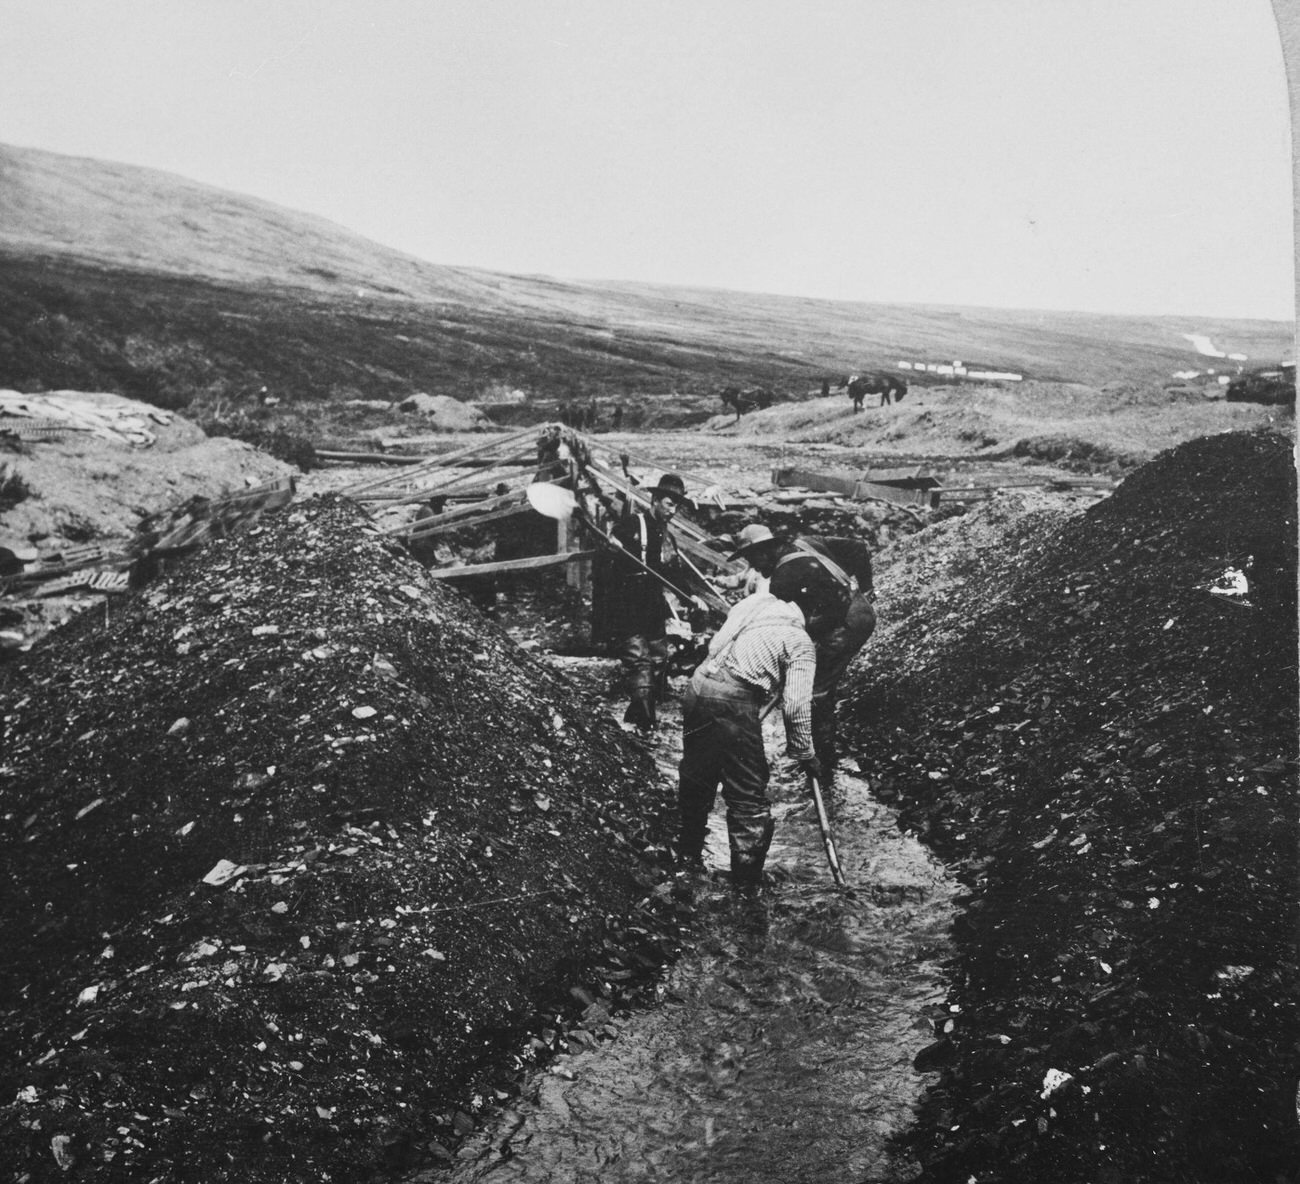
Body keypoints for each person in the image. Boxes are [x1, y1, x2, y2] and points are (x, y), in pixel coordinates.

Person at [676, 587, 819, 887]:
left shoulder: (755, 602)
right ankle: (746, 882)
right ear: (815, 612)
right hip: (731, 700)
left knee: (698, 776)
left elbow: (716, 644)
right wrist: (805, 754)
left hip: (699, 684)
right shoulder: (800, 641)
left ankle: (687, 859)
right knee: (748, 794)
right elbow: (795, 707)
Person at [728, 523, 876, 798]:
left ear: (765, 550)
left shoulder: (783, 579)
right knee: (819, 685)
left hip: (845, 626)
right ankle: (821, 754)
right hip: (860, 612)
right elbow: (859, 548)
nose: (756, 569)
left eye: (753, 559)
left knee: (812, 693)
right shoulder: (810, 541)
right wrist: (866, 590)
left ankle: (821, 768)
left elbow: (792, 629)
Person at [605, 473, 695, 731]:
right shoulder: (633, 523)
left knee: (659, 658)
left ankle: (636, 715)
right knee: (639, 659)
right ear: (655, 500)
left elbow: (673, 573)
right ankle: (646, 724)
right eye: (669, 503)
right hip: (627, 603)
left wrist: (690, 596)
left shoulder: (667, 538)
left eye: (677, 506)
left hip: (652, 605)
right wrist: (611, 546)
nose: (673, 510)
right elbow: (609, 550)